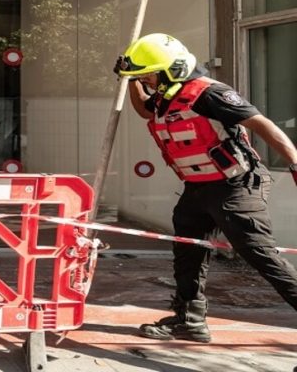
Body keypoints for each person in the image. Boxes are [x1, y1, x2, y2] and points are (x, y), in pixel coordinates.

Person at [114, 33, 297, 343]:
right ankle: (190, 320)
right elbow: (145, 110)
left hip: (235, 186)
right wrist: (130, 77)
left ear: (172, 70)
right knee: (187, 253)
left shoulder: (210, 93)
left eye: (149, 74)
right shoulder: (166, 96)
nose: (146, 80)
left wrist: (294, 161)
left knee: (261, 257)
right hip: (197, 188)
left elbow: (261, 123)